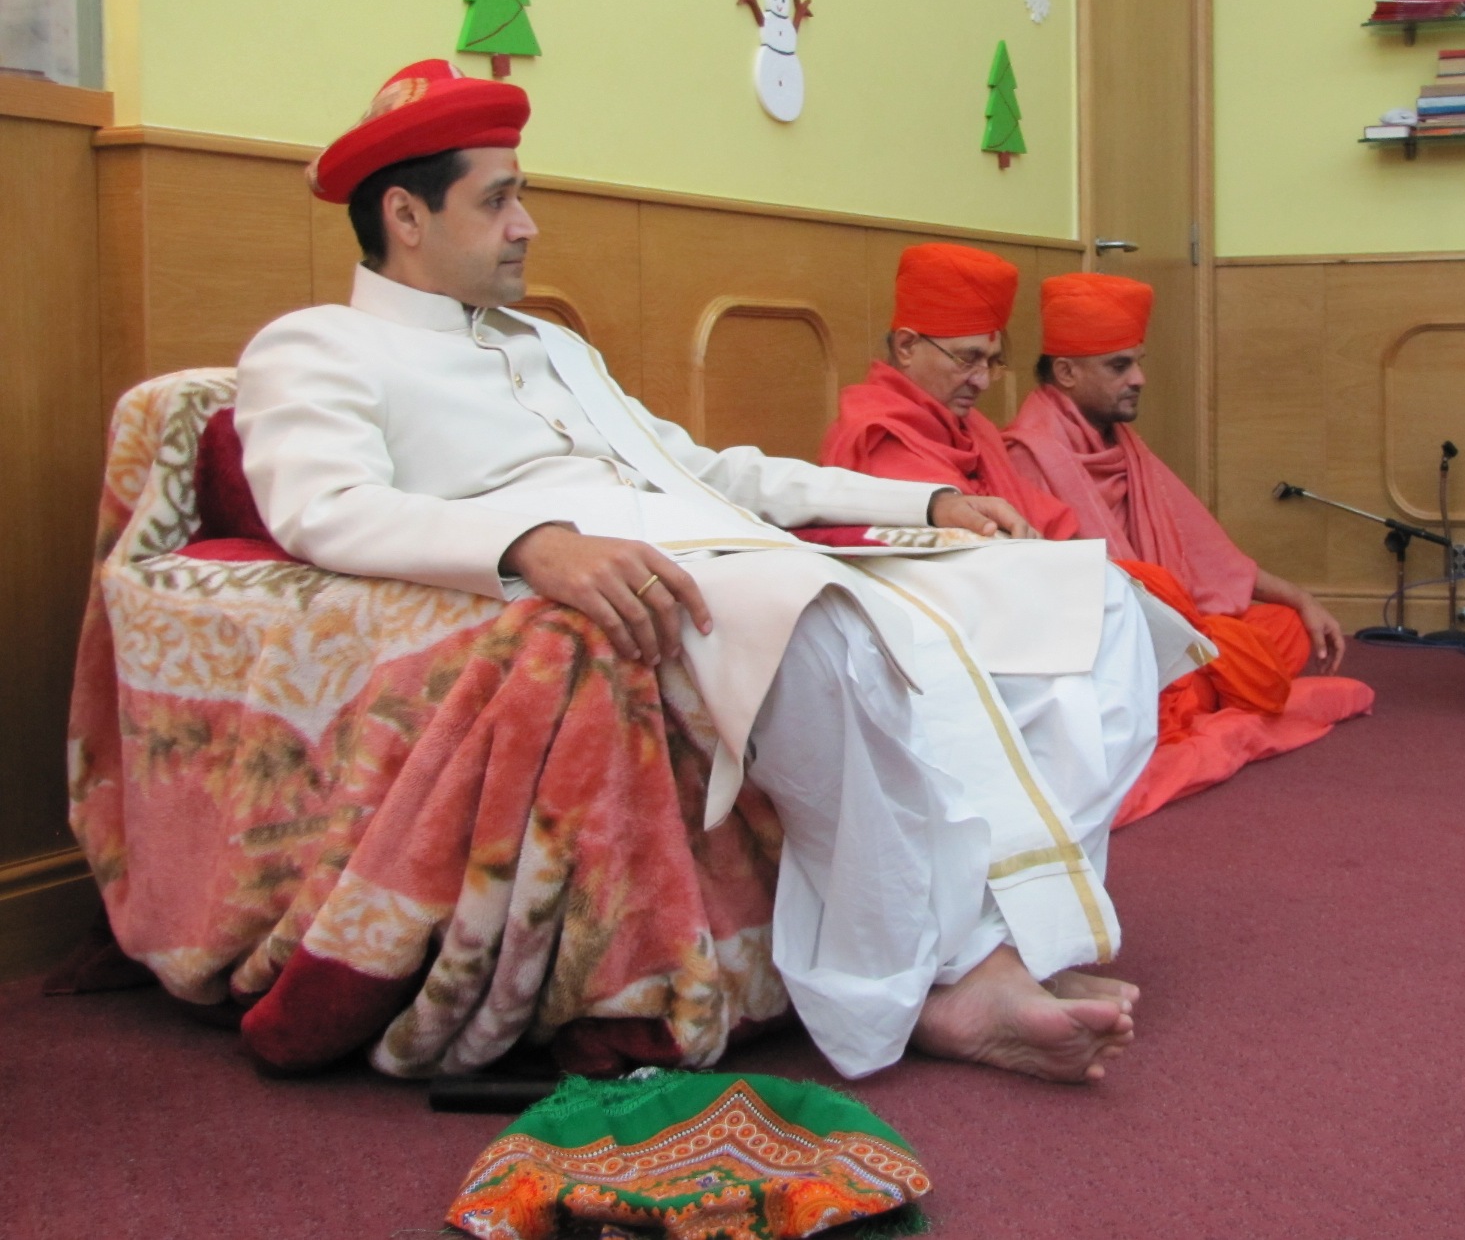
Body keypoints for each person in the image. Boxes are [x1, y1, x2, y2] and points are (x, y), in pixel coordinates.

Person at [234, 60, 1205, 1084]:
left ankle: (1033, 936)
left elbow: (707, 469)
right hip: (654, 572)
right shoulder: (318, 347)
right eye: (499, 198)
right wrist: (528, 547)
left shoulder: (551, 348)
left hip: (738, 542)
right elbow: (321, 509)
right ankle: (946, 980)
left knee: (1092, 602)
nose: (527, 225)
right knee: (826, 627)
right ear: (405, 214)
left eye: (522, 196)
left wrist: (919, 504)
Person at [1005, 273, 1347, 674]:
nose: (1138, 379)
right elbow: (1055, 597)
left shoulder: (1123, 444)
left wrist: (1300, 598)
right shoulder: (1029, 453)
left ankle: (1186, 679)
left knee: (1285, 627)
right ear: (1066, 373)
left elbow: (1208, 555)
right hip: (1100, 644)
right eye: (1119, 366)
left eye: (1137, 363)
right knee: (1204, 669)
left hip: (1162, 627)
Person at [817, 242, 1081, 541]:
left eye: (991, 362)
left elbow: (1052, 521)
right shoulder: (877, 435)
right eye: (967, 359)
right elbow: (974, 544)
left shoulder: (975, 428)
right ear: (906, 347)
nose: (982, 382)